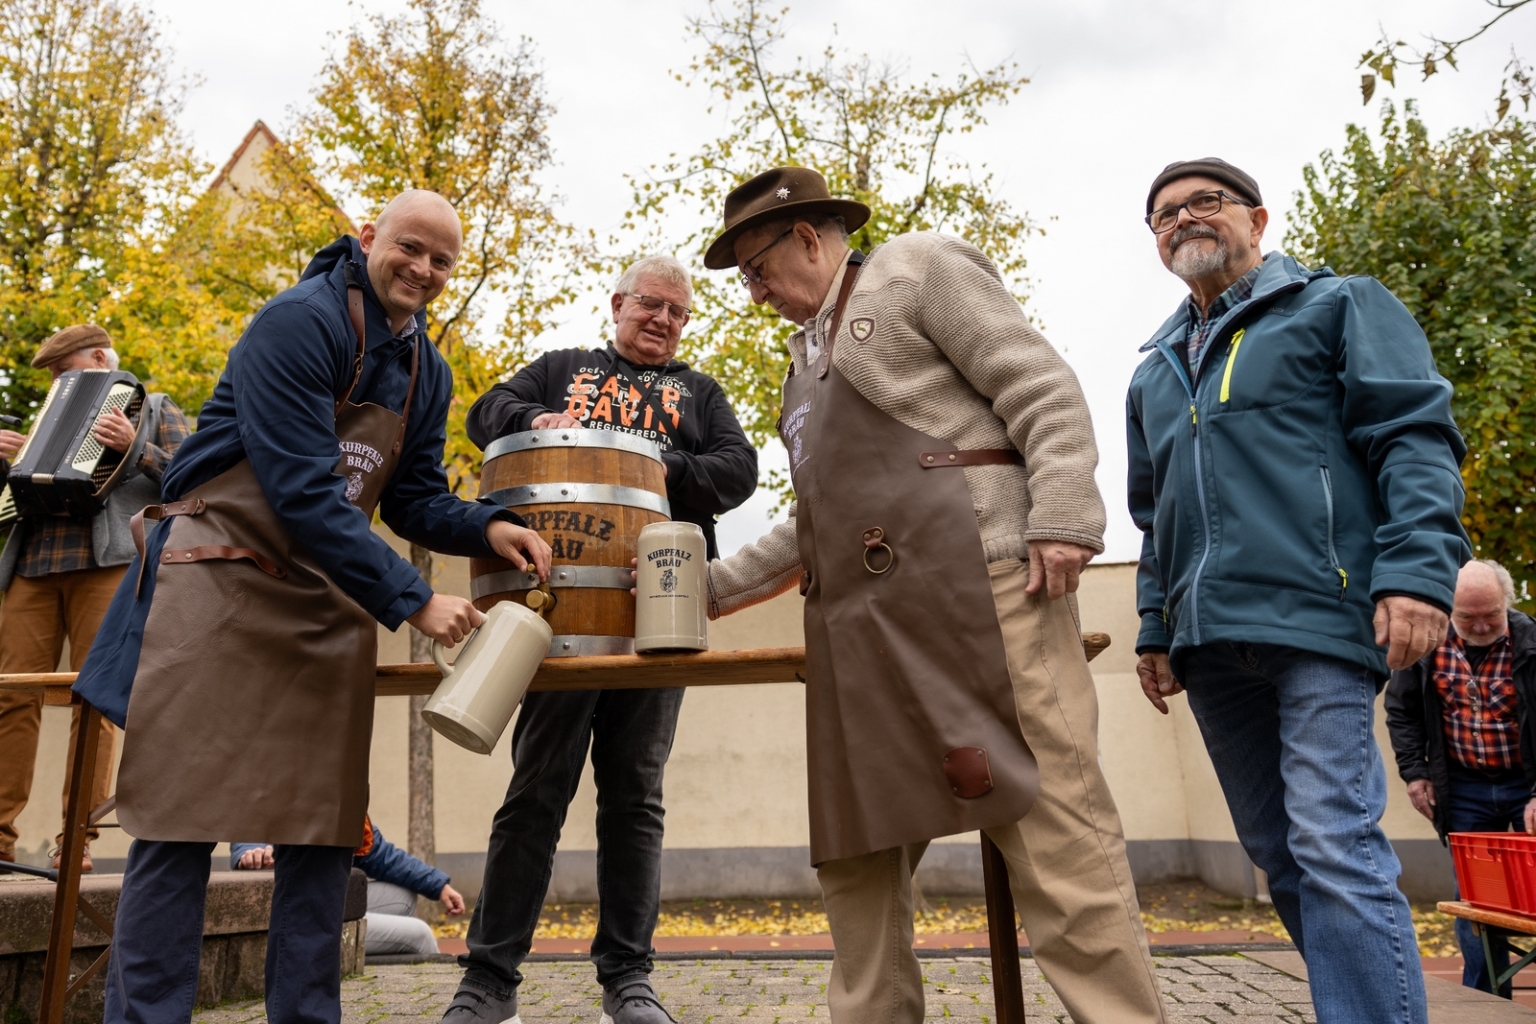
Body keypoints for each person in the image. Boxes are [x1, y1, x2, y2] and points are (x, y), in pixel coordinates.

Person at [698, 167, 1168, 1024]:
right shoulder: (799, 375)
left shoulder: (920, 268)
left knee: (1058, 840)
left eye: (758, 269)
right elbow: (816, 519)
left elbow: (1042, 388)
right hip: (858, 637)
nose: (755, 293)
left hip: (984, 595)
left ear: (808, 237)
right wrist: (709, 590)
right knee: (858, 859)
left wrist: (1063, 513)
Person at [72, 190, 552, 1024]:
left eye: (442, 261)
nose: (424, 270)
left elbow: (409, 501)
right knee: (180, 822)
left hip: (326, 595)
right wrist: (411, 600)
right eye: (410, 248)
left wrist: (489, 526)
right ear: (369, 238)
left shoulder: (424, 371)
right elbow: (298, 488)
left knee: (323, 832)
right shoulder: (299, 322)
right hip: (215, 578)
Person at [1128, 158, 1469, 1024]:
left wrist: (1418, 575)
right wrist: (1154, 627)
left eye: (1205, 203)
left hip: (1319, 619)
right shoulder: (1154, 370)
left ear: (1258, 217)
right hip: (1211, 646)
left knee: (1333, 842)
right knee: (1280, 855)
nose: (1183, 220)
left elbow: (1413, 438)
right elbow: (1155, 514)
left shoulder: (1339, 303)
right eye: (1164, 214)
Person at [443, 255, 756, 1024]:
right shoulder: (560, 369)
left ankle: (628, 978)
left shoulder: (699, 393)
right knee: (534, 792)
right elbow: (489, 412)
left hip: (660, 617)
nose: (663, 321)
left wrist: (651, 462)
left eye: (679, 313)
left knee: (635, 800)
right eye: (651, 305)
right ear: (617, 302)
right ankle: (488, 981)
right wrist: (533, 420)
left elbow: (738, 471)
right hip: (560, 619)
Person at [0, 325, 189, 872]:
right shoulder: (46, 420)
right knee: (11, 696)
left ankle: (75, 841)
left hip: (106, 568)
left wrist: (136, 449)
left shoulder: (153, 407)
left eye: (66, 369)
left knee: (93, 702)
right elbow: (16, 499)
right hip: (33, 566)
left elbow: (195, 483)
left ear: (102, 357)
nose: (58, 382)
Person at [1386, 559, 1536, 992]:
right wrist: (1415, 774)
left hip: (1526, 782)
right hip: (1464, 786)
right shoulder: (1428, 643)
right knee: (1475, 898)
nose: (1482, 625)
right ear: (1448, 607)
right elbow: (1402, 712)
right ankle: (1487, 996)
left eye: (1491, 614)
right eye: (1468, 616)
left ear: (1507, 602)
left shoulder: (1530, 642)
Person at [232, 817, 466, 959]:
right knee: (420, 934)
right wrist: (250, 853)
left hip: (331, 898)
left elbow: (381, 854)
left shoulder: (341, 800)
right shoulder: (285, 784)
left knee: (403, 897)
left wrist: (438, 885)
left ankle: (361, 952)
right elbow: (251, 819)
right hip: (300, 911)